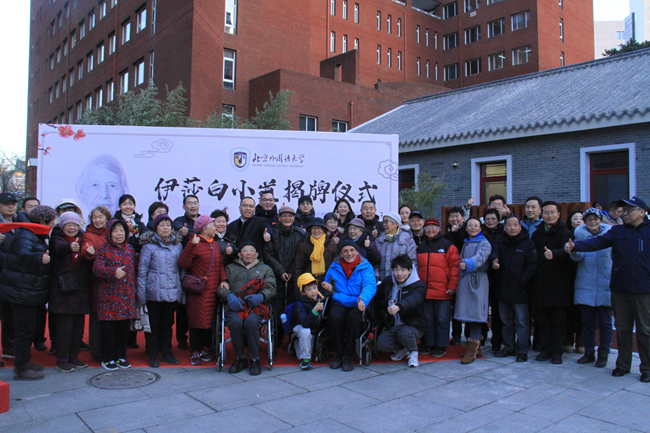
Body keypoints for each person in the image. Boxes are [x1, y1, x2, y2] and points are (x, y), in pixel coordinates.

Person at [566, 196, 650, 383]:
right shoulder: (617, 231)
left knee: (645, 330)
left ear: (642, 212)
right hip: (620, 288)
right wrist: (576, 246)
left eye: (630, 210)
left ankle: (647, 368)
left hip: (644, 290)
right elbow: (596, 243)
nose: (625, 213)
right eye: (624, 210)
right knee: (622, 328)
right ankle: (623, 365)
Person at [0, 205, 56, 379]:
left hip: (27, 289)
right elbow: (23, 254)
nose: (54, 224)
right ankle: (21, 367)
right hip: (22, 290)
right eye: (52, 221)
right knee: (24, 330)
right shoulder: (26, 234)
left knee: (28, 329)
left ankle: (24, 361)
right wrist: (39, 258)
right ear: (42, 221)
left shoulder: (33, 233)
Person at [220, 239, 276, 376]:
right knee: (235, 322)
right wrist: (229, 296)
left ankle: (255, 358)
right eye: (245, 251)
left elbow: (272, 288)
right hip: (235, 305)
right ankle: (240, 357)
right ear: (239, 254)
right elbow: (220, 287)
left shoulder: (266, 269)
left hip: (256, 306)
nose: (248, 253)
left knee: (251, 322)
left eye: (251, 251)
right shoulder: (230, 268)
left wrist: (261, 297)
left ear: (256, 254)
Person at [178, 215, 228, 366]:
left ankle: (206, 348)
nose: (215, 227)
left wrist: (223, 280)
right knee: (196, 321)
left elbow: (220, 265)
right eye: (212, 224)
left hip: (213, 290)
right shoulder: (195, 243)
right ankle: (195, 350)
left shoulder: (215, 244)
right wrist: (190, 246)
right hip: (198, 290)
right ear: (205, 229)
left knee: (209, 321)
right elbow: (183, 263)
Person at [137, 214, 183, 368]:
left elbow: (181, 270)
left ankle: (167, 352)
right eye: (162, 225)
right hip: (153, 292)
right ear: (155, 228)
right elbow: (142, 271)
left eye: (168, 225)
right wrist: (141, 294)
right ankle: (152, 353)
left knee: (167, 325)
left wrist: (181, 291)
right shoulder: (148, 247)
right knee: (153, 326)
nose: (165, 228)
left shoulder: (177, 246)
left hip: (171, 292)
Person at [322, 240, 377, 371]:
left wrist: (363, 300)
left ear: (357, 251)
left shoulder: (365, 266)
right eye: (345, 251)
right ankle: (338, 353)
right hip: (339, 302)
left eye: (352, 250)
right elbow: (326, 285)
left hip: (358, 302)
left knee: (354, 318)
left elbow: (370, 286)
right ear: (341, 254)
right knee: (335, 317)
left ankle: (348, 355)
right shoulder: (334, 266)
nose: (349, 253)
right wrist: (326, 289)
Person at [530, 201, 574, 365]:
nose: (549, 216)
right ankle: (545, 350)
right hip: (540, 284)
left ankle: (557, 352)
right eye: (546, 213)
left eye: (552, 212)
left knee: (558, 322)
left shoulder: (566, 233)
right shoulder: (537, 234)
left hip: (559, 285)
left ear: (558, 214)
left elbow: (569, 252)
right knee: (543, 321)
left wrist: (555, 254)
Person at [569, 208, 613, 368]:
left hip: (605, 284)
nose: (592, 222)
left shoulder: (610, 237)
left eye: (595, 219)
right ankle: (589, 352)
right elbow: (578, 257)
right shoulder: (580, 236)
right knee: (587, 322)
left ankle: (604, 353)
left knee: (605, 323)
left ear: (600, 221)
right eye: (589, 219)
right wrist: (573, 251)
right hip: (586, 284)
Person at [49, 212, 91, 373]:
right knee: (64, 328)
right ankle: (62, 360)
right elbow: (59, 248)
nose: (72, 228)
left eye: (74, 225)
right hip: (63, 291)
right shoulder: (56, 238)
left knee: (78, 327)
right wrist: (69, 247)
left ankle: (74, 357)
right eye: (68, 225)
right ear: (62, 226)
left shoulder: (82, 238)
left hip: (80, 289)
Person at [92, 219, 137, 371]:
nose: (119, 234)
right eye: (115, 230)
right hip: (109, 297)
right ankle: (107, 358)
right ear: (109, 233)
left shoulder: (130, 249)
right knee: (108, 331)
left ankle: (120, 356)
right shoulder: (103, 249)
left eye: (121, 230)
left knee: (123, 330)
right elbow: (97, 269)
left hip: (126, 296)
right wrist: (112, 272)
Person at [492, 215, 538, 362]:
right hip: (502, 288)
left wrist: (522, 280)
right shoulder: (500, 241)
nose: (512, 228)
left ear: (520, 227)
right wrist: (494, 261)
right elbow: (494, 253)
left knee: (522, 322)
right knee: (506, 321)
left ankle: (522, 350)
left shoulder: (528, 243)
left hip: (520, 289)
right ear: (504, 228)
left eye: (515, 225)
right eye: (509, 225)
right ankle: (509, 347)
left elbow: (532, 264)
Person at [416, 218, 459, 358]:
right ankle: (429, 343)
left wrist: (452, 286)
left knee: (442, 319)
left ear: (439, 229)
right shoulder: (421, 246)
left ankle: (441, 345)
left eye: (433, 227)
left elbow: (455, 267)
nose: (430, 230)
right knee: (427, 319)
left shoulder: (447, 245)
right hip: (425, 290)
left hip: (443, 290)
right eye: (427, 228)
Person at [263, 206, 306, 342]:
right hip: (276, 275)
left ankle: (293, 338)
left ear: (294, 218)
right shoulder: (273, 233)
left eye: (290, 215)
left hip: (295, 276)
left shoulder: (300, 234)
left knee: (295, 306)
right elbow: (268, 254)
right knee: (277, 308)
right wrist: (280, 270)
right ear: (279, 218)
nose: (287, 218)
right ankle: (277, 338)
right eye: (284, 215)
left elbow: (301, 256)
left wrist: (292, 271)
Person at [376, 254, 426, 367]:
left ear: (410, 271)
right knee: (382, 343)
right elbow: (377, 293)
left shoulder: (418, 285)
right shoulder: (389, 282)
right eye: (396, 270)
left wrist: (399, 307)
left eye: (403, 270)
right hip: (394, 325)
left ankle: (413, 352)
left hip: (414, 324)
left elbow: (413, 299)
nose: (399, 273)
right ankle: (403, 348)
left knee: (405, 333)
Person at [454, 216, 492, 365]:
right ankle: (477, 348)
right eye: (470, 225)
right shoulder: (465, 243)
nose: (473, 228)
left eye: (476, 225)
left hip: (478, 280)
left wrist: (466, 264)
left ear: (481, 228)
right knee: (468, 314)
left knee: (475, 314)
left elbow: (479, 258)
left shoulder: (484, 243)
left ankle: (471, 350)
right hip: (465, 280)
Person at [80, 206, 111, 362]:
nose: (97, 220)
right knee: (97, 315)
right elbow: (85, 250)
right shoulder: (88, 235)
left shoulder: (111, 233)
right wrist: (88, 253)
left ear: (106, 218)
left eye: (100, 217)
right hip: (97, 281)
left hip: (113, 281)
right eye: (94, 217)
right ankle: (97, 350)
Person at [172, 195, 200, 350]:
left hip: (200, 268)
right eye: (189, 203)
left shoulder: (203, 220)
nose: (193, 206)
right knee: (182, 306)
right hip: (184, 268)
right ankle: (181, 339)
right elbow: (178, 229)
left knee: (197, 306)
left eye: (195, 203)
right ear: (184, 207)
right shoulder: (179, 221)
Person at [289, 273, 324, 370]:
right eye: (309, 290)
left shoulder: (319, 298)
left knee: (309, 343)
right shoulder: (299, 304)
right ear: (303, 292)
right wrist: (315, 310)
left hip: (314, 327)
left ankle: (300, 345)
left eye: (314, 288)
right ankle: (305, 360)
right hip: (300, 326)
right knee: (305, 332)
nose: (313, 291)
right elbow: (305, 323)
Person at [444, 205, 467, 346]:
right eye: (451, 216)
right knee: (451, 306)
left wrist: (458, 233)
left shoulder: (467, 233)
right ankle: (455, 335)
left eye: (457, 216)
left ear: (463, 218)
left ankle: (469, 336)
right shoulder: (446, 236)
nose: (454, 219)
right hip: (450, 274)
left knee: (462, 306)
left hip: (466, 274)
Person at [0, 192, 19, 360]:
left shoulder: (20, 222)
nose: (11, 206)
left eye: (13, 203)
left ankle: (9, 348)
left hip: (13, 278)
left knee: (9, 314)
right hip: (2, 273)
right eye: (7, 203)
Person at [293, 218, 340, 285]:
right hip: (308, 283)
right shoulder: (303, 246)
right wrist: (298, 286)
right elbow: (298, 267)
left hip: (327, 281)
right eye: (314, 228)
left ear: (323, 230)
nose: (316, 230)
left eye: (319, 228)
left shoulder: (331, 245)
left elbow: (337, 266)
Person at [483, 208, 504, 353]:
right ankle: (481, 337)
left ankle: (497, 341)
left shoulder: (503, 233)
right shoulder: (480, 233)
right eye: (488, 219)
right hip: (482, 275)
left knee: (497, 311)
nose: (490, 221)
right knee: (482, 308)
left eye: (493, 218)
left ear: (498, 219)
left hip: (498, 276)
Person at [564, 210, 584, 354]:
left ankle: (582, 343)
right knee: (568, 311)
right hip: (568, 277)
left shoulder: (589, 237)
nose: (578, 220)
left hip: (584, 278)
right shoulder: (566, 236)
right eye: (575, 218)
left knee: (583, 313)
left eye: (581, 218)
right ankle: (567, 341)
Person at [375, 212, 417, 280]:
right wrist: (377, 277)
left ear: (396, 224)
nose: (384, 224)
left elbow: (413, 261)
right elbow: (375, 262)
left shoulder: (407, 239)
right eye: (383, 222)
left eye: (386, 222)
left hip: (401, 281)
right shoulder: (379, 240)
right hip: (382, 281)